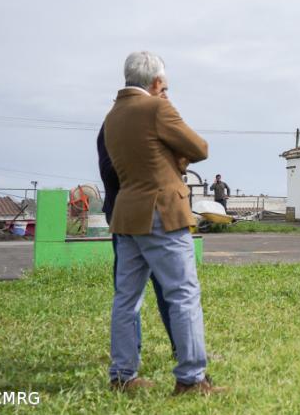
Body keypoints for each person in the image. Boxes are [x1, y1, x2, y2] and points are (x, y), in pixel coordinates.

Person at [104, 51, 225, 395]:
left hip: (127, 214)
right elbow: (199, 147)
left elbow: (143, 157)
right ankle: (191, 379)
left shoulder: (112, 116)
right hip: (162, 212)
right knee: (183, 294)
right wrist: (177, 153)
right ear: (156, 82)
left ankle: (122, 375)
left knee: (126, 298)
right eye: (164, 86)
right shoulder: (157, 108)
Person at [98, 120, 175, 357]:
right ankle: (130, 352)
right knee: (129, 292)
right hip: (128, 223)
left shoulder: (149, 125)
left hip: (156, 220)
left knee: (169, 287)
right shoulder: (113, 126)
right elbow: (110, 174)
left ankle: (180, 347)